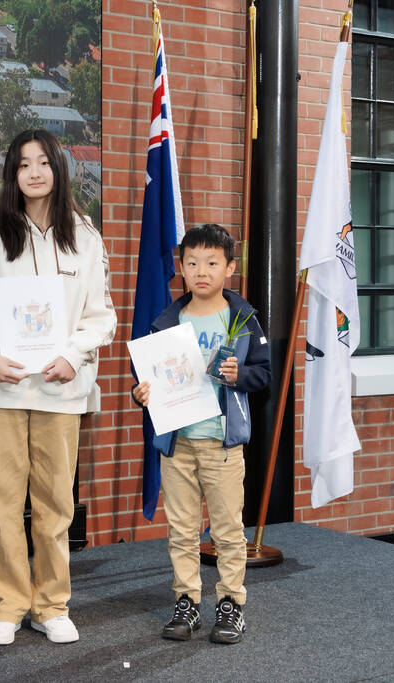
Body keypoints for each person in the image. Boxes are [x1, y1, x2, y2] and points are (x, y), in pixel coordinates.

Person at [0, 130, 116, 646]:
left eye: (43, 162)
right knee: (2, 500)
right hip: (3, 389)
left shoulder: (86, 238)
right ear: (13, 174)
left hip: (60, 390)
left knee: (55, 502)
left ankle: (51, 604)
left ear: (58, 169)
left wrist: (73, 356)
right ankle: (6, 603)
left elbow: (101, 317)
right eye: (23, 164)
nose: (34, 172)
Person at [131, 224, 271, 645]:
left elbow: (264, 373)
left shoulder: (243, 318)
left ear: (230, 267)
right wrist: (141, 393)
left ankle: (230, 605)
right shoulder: (166, 321)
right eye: (192, 263)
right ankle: (187, 603)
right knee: (182, 529)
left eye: (212, 263)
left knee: (228, 530)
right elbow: (147, 377)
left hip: (222, 444)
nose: (201, 271)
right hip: (177, 443)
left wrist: (240, 374)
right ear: (182, 268)